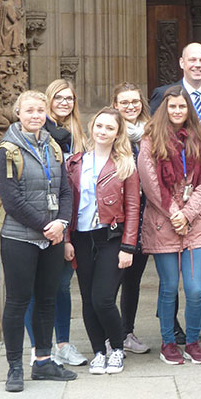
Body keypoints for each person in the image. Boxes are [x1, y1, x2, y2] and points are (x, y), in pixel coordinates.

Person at [0, 90, 78, 392]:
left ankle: (43, 360)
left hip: (52, 238)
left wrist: (62, 224)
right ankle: (15, 366)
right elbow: (12, 200)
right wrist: (47, 225)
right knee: (18, 302)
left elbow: (66, 190)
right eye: (29, 110)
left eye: (40, 110)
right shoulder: (8, 150)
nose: (35, 116)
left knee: (47, 300)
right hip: (20, 239)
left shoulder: (53, 147)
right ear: (18, 113)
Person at [137, 84, 201, 366]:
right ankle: (168, 342)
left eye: (182, 106)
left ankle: (192, 341)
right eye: (172, 106)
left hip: (194, 224)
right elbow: (151, 183)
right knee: (169, 287)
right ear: (164, 109)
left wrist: (188, 214)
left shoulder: (199, 137)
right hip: (162, 223)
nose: (178, 111)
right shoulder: (150, 140)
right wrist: (174, 213)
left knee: (195, 289)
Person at [65, 108, 141, 375]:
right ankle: (98, 351)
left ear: (117, 133)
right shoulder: (74, 163)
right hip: (82, 238)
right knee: (87, 299)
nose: (103, 131)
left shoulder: (125, 165)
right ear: (91, 127)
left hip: (111, 237)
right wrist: (66, 240)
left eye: (109, 128)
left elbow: (133, 208)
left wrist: (128, 247)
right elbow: (66, 205)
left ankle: (117, 349)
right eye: (99, 126)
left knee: (103, 298)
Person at [25, 79, 86, 368]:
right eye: (58, 98)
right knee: (37, 287)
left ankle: (62, 344)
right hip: (43, 218)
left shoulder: (76, 134)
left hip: (71, 215)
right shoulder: (39, 133)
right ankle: (38, 347)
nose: (64, 102)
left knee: (61, 285)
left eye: (70, 98)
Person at [111, 82, 152, 354]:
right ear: (115, 106)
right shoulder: (110, 133)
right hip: (119, 218)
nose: (130, 106)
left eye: (134, 101)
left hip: (147, 214)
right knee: (111, 278)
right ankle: (109, 333)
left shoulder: (151, 133)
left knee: (133, 280)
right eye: (124, 102)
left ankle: (127, 331)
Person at [149, 43, 201, 120]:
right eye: (192, 60)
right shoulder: (163, 94)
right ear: (182, 63)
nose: (198, 65)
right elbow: (153, 126)